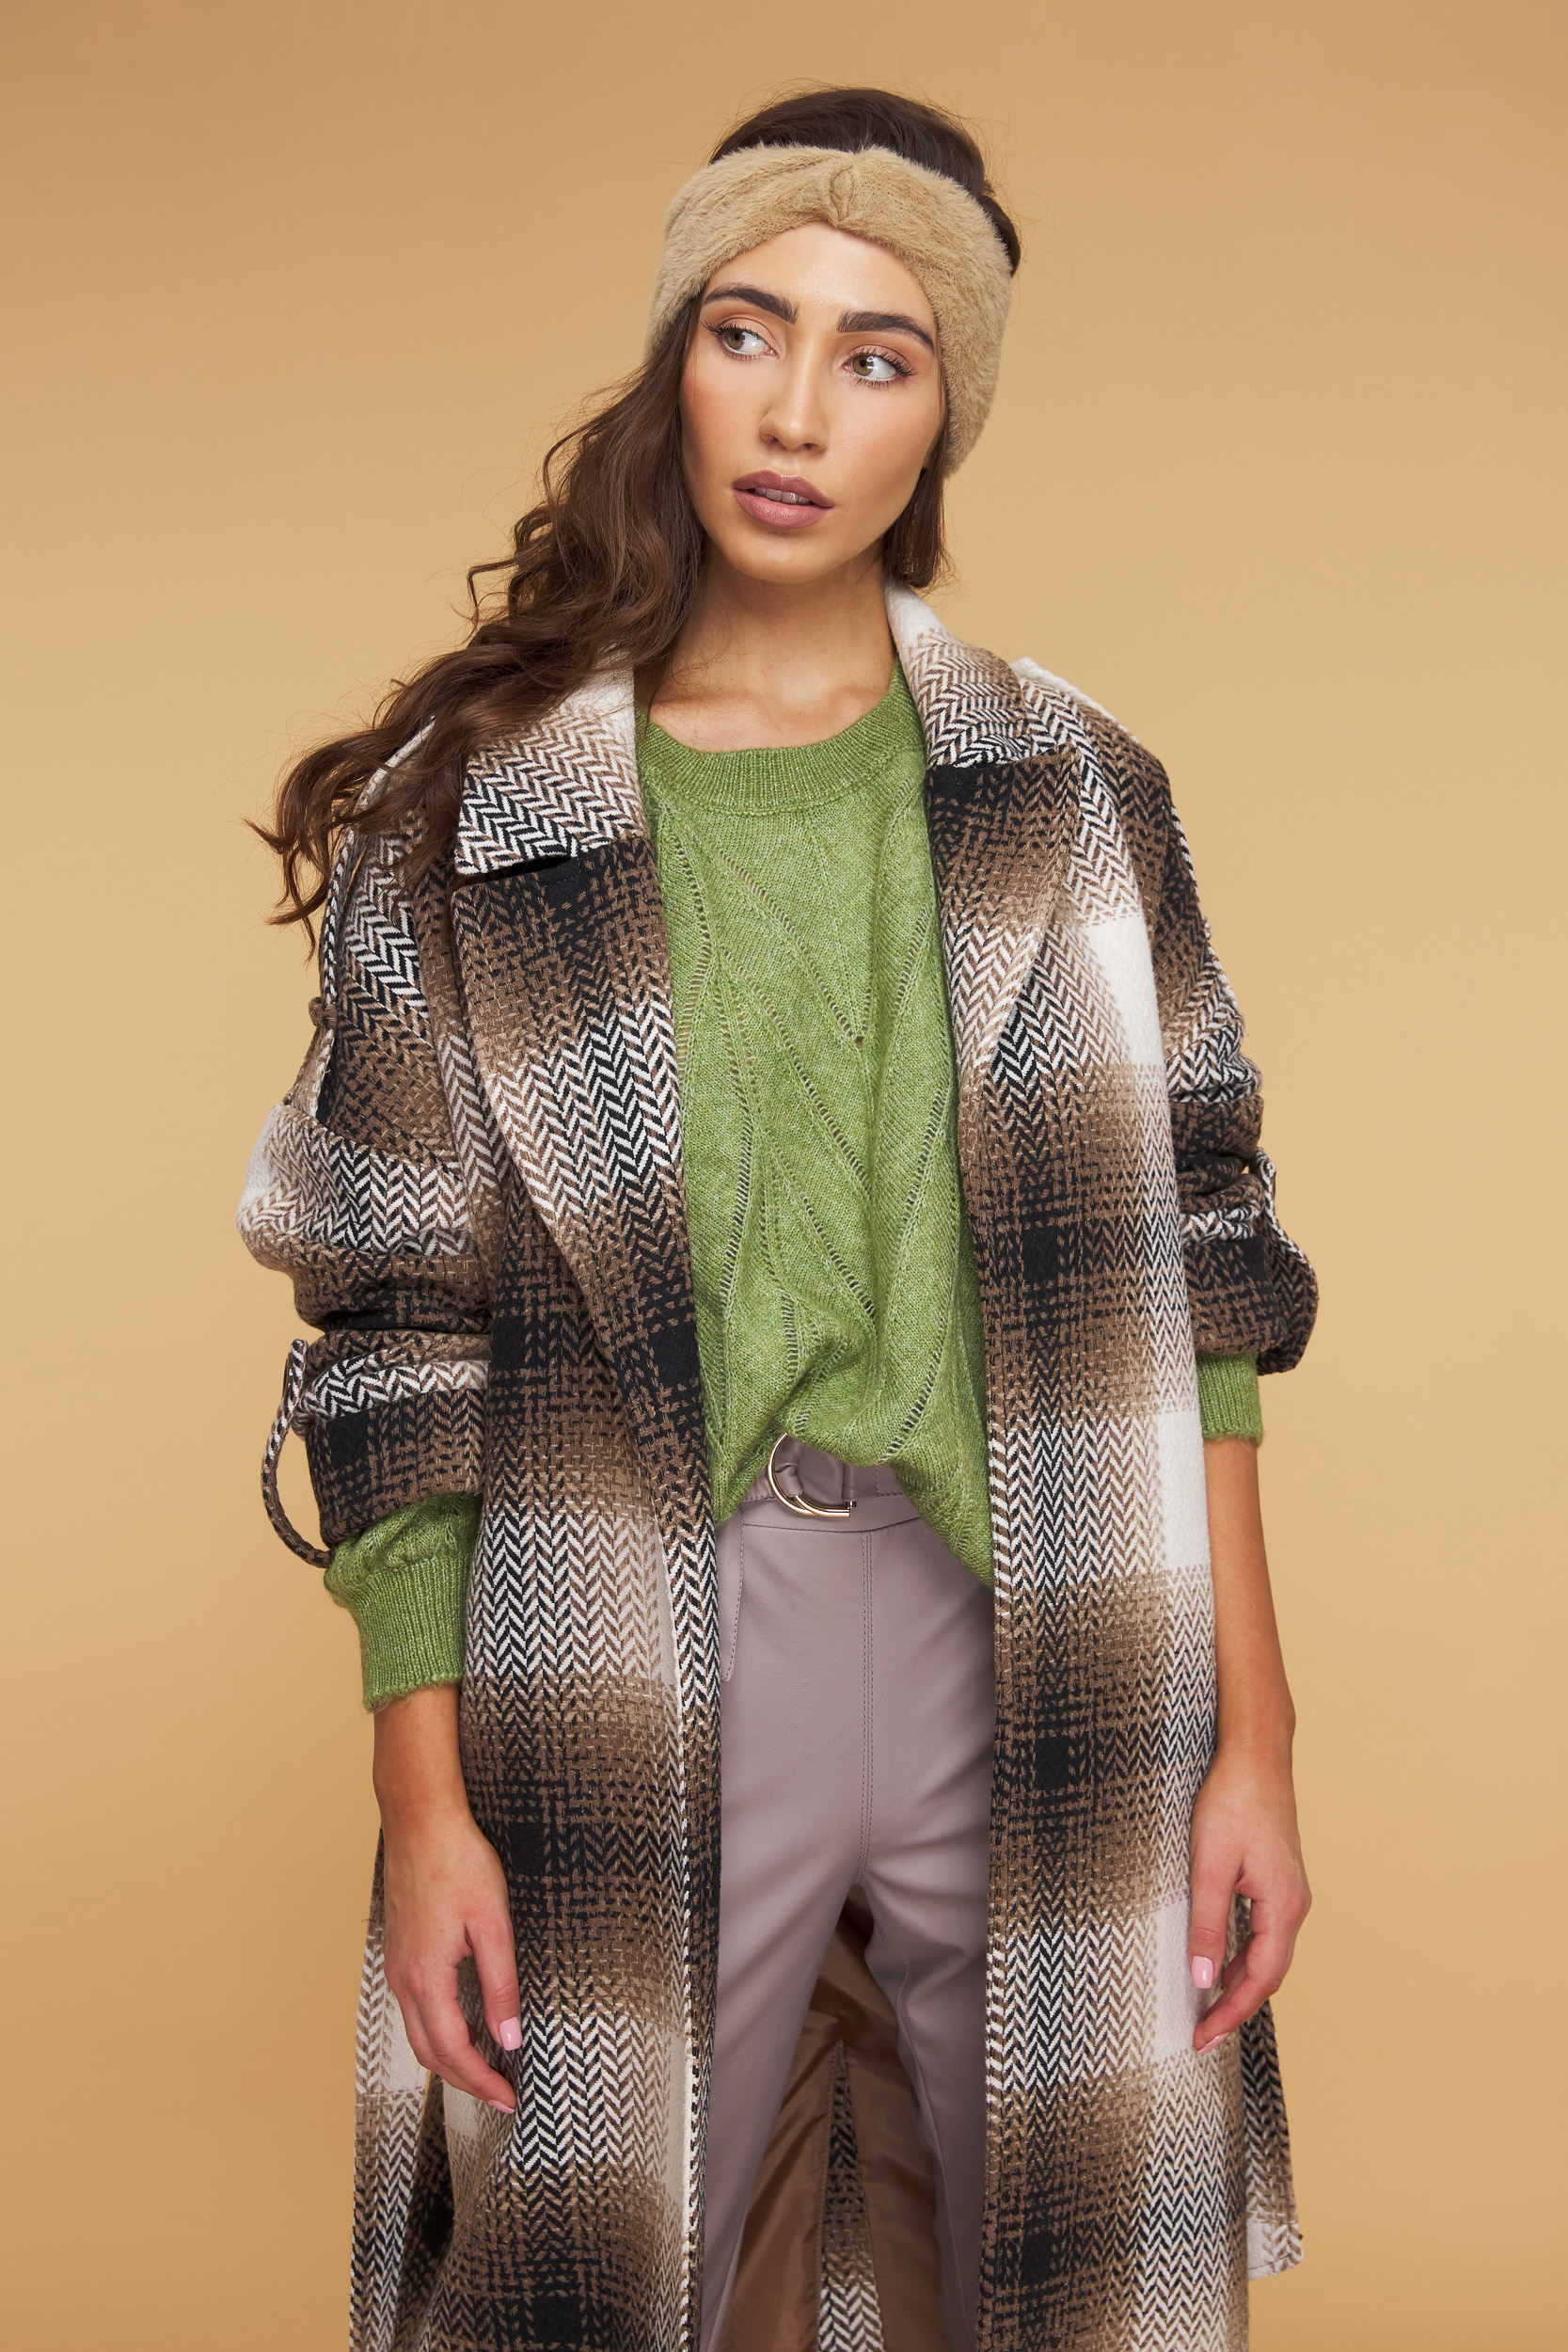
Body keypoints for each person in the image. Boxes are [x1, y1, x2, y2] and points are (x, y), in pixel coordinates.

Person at [241, 86, 1316, 2352]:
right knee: (604, 2269)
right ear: (679, 359)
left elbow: (1204, 1265)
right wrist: (422, 1802)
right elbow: (391, 1332)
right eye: (749, 331)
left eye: (876, 355)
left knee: (1047, 2266)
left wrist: (1258, 1739)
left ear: (946, 419)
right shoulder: (477, 815)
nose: (800, 410)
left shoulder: (1076, 787)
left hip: (1031, 1617)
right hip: (622, 1619)